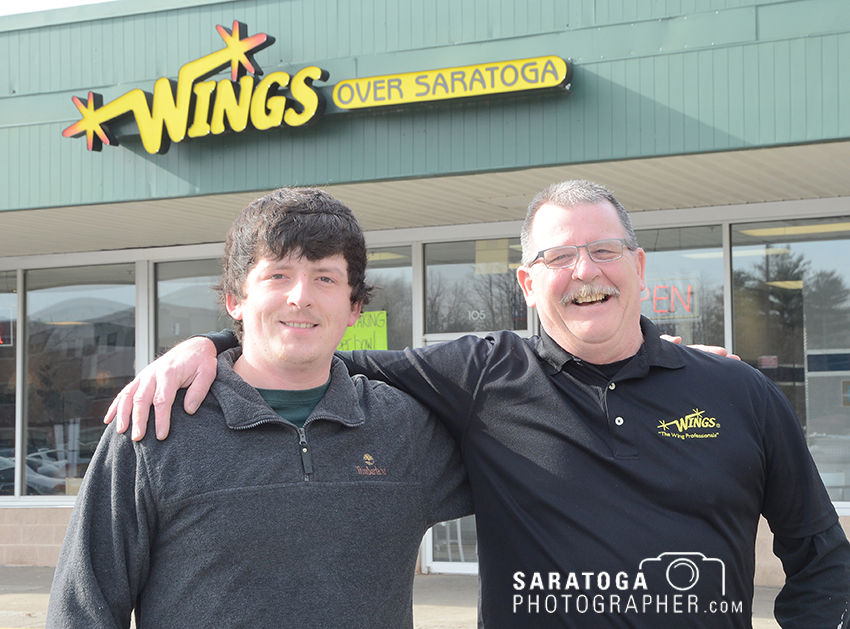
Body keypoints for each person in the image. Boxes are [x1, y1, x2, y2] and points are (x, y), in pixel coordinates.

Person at [107, 180, 850, 628]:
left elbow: (821, 556)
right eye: (557, 256)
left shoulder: (739, 394)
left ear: (639, 265)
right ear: (527, 283)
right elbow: (310, 348)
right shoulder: (481, 376)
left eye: (604, 250)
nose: (583, 272)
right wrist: (208, 344)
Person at [47, 188, 471, 628]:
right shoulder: (152, 426)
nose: (300, 297)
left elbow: (527, 474)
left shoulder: (404, 427)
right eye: (278, 276)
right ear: (236, 300)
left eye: (325, 278)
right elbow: (82, 611)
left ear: (354, 307)